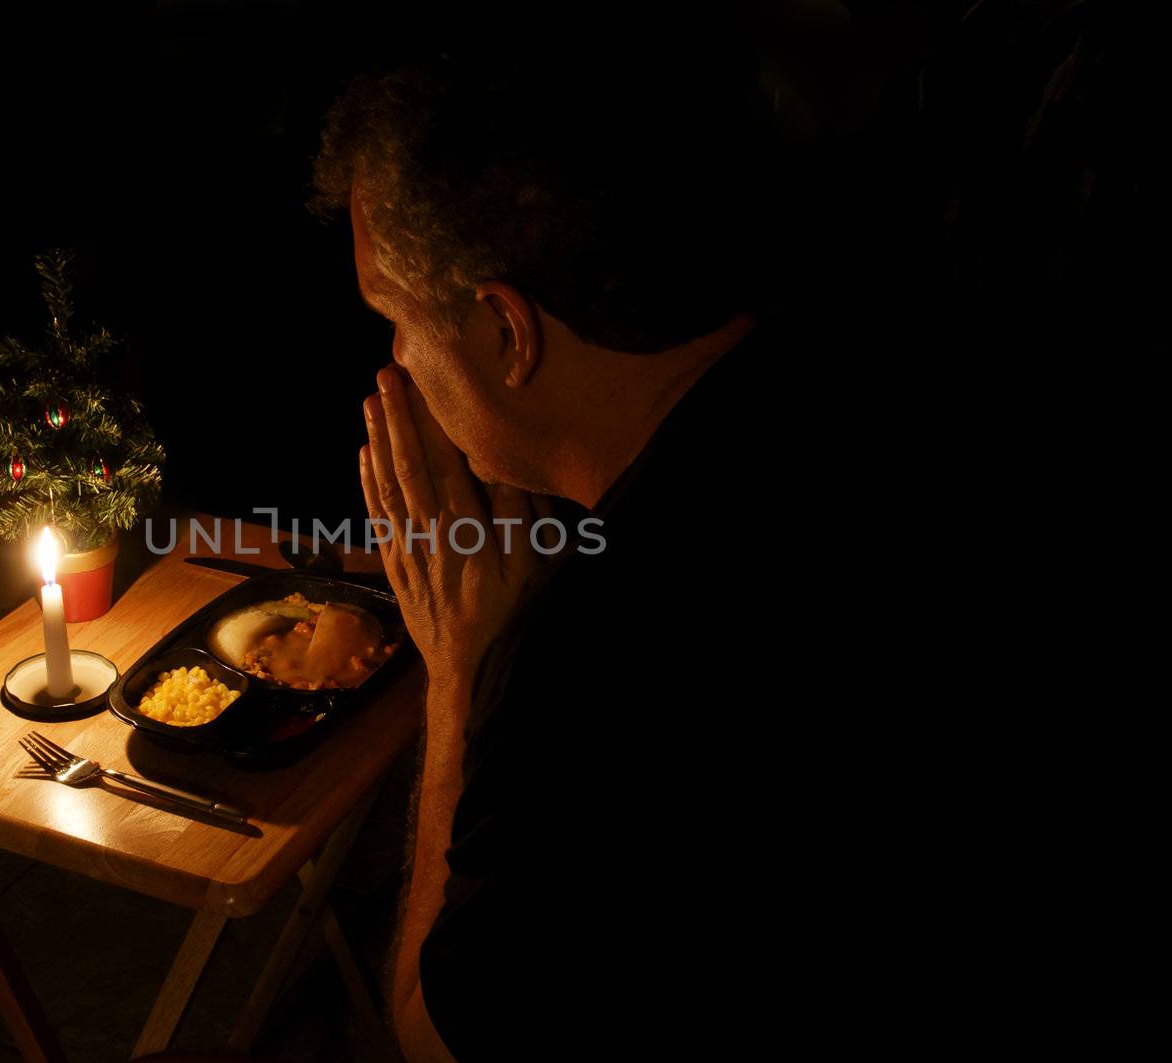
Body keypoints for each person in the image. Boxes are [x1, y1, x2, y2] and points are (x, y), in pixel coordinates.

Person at [307, 32, 863, 1061]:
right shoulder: (837, 356)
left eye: (393, 318)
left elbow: (439, 1036)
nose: (393, 360)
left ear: (505, 333)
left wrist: (462, 672)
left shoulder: (598, 655)